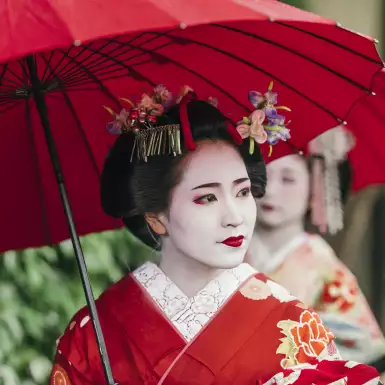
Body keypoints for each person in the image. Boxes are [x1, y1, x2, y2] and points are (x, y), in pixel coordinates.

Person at [49, 84, 382, 385]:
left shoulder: (294, 324)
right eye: (206, 197)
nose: (235, 217)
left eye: (243, 192)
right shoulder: (95, 333)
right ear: (155, 216)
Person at [246, 126, 385, 376]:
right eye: (261, 176)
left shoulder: (326, 271)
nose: (270, 190)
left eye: (287, 179)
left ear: (315, 189)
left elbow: (368, 354)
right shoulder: (226, 254)